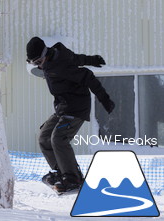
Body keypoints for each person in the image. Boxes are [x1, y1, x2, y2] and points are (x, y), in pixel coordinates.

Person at [26, 36, 115, 193]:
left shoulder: (60, 64)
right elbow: (76, 58)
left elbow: (87, 76)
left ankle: (73, 178)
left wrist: (104, 99)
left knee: (58, 139)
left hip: (76, 107)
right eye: (34, 63)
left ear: (46, 53)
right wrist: (92, 59)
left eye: (39, 62)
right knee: (44, 138)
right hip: (62, 107)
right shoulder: (58, 56)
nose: (39, 66)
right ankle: (63, 172)